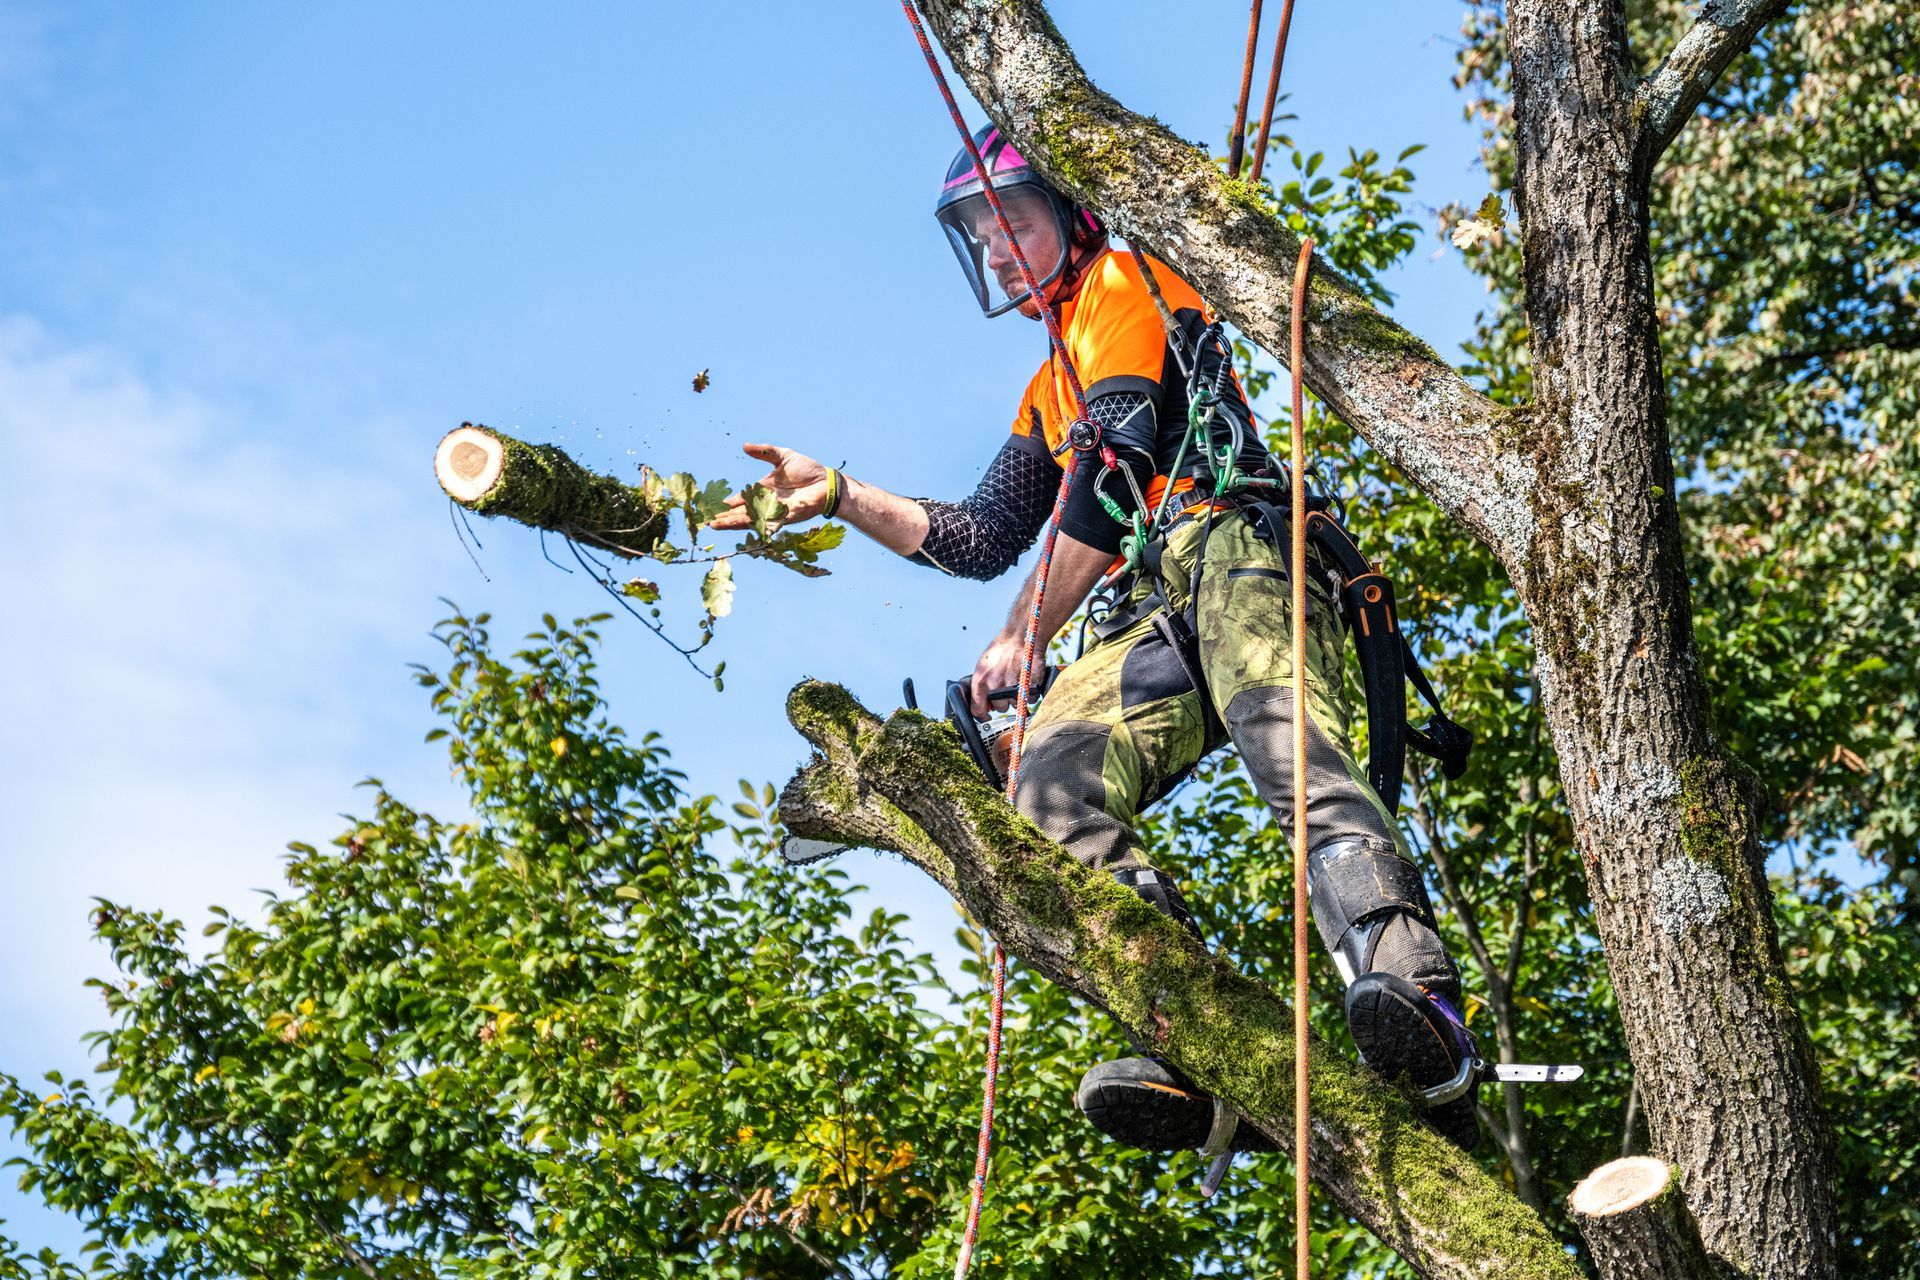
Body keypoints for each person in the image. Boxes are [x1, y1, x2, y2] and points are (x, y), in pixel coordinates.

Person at [712, 126, 1481, 1150]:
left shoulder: (1126, 277)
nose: (997, 250)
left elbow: (1116, 462)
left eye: (1013, 222)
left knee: (1291, 745)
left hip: (1231, 544)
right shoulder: (1051, 379)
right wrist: (844, 493)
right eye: (980, 236)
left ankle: (1412, 987)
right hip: (1151, 605)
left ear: (1069, 214)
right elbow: (984, 534)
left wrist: (1025, 635)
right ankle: (1201, 1046)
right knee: (1045, 785)